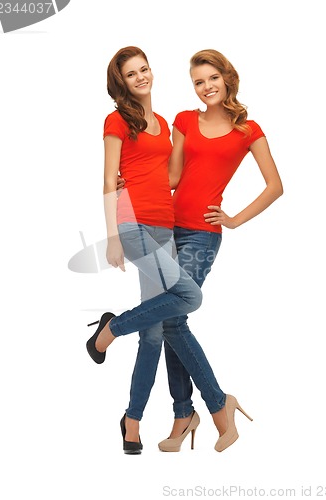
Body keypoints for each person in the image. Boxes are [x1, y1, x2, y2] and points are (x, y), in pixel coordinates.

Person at [157, 49, 283, 453]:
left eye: (212, 78)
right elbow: (173, 176)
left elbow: (275, 186)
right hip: (167, 228)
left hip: (201, 236)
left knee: (172, 318)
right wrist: (136, 179)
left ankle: (215, 404)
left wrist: (234, 218)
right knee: (167, 321)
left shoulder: (248, 130)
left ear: (227, 78)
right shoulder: (183, 120)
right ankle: (182, 412)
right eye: (198, 81)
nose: (206, 86)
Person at [86, 46, 203, 455]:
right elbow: (107, 177)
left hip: (164, 225)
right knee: (190, 295)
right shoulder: (115, 120)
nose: (141, 77)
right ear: (121, 82)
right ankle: (110, 331)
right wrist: (112, 237)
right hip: (131, 224)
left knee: (153, 334)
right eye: (131, 73)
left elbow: (171, 175)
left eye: (144, 69)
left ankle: (131, 421)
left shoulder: (163, 123)